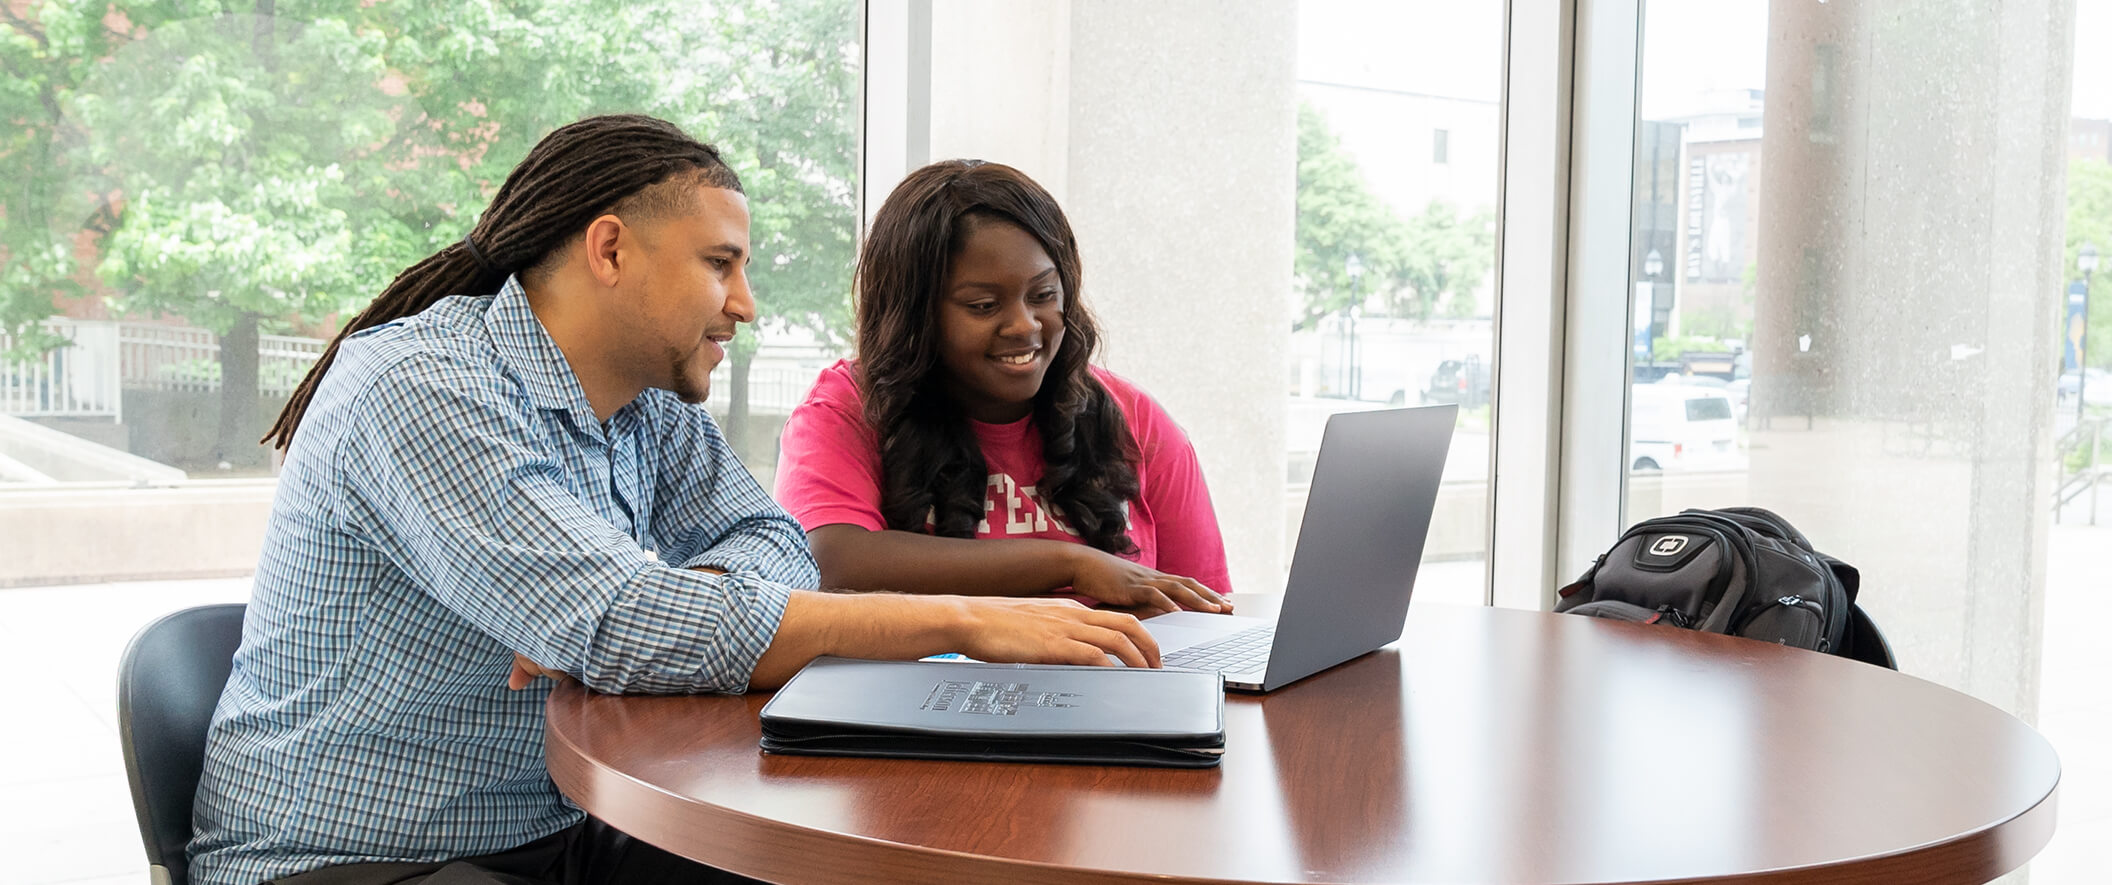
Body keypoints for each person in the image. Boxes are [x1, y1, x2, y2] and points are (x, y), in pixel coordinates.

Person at [189, 116, 1161, 885]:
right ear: (610, 250)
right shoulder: (424, 388)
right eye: (720, 263)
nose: (745, 303)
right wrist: (965, 620)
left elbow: (769, 544)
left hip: (564, 832)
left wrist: (664, 599)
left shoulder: (646, 401)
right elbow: (624, 628)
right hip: (358, 864)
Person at [772, 160, 1233, 614]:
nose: (1024, 325)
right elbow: (832, 561)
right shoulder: (847, 408)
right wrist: (1070, 563)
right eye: (984, 305)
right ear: (914, 316)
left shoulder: (1135, 416)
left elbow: (1203, 608)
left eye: (1043, 295)